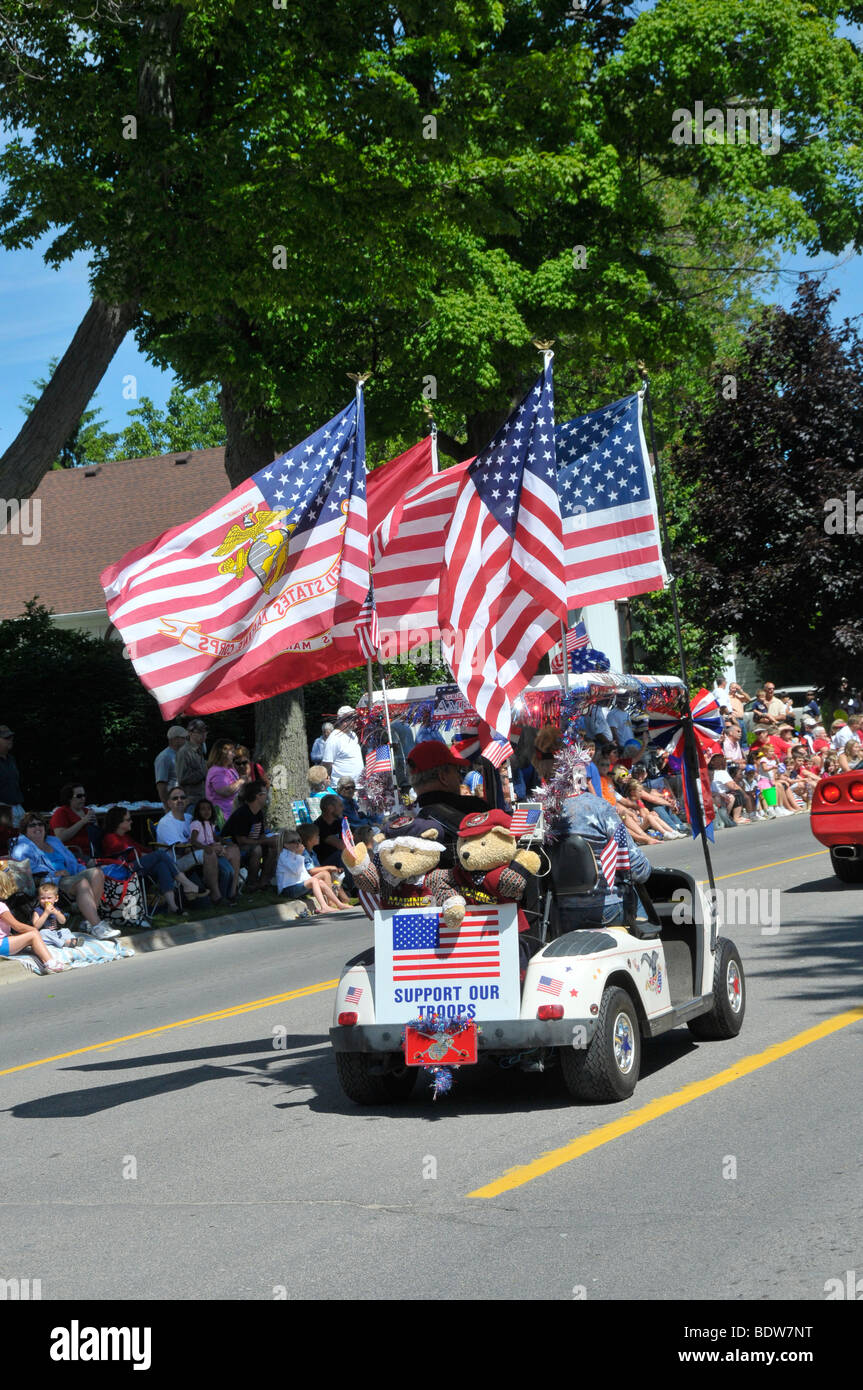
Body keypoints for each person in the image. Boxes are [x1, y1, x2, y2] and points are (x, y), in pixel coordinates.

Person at [555, 761, 652, 929]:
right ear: (584, 778)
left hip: (561, 912)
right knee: (641, 902)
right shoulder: (599, 806)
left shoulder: (544, 811)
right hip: (606, 907)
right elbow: (638, 869)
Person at [10, 813, 118, 939]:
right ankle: (97, 926)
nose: (37, 827)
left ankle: (88, 921)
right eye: (32, 825)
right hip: (51, 881)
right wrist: (54, 874)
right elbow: (22, 868)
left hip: (70, 875)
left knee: (97, 873)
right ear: (25, 830)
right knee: (82, 883)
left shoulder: (53, 841)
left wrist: (80, 870)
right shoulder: (22, 847)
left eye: (40, 824)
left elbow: (71, 859)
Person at [103, 804, 201, 914]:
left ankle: (173, 907)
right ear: (119, 823)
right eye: (128, 819)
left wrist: (151, 856)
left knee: (161, 865)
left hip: (137, 866)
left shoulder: (125, 837)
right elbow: (129, 855)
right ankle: (186, 883)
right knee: (159, 854)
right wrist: (148, 855)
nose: (132, 822)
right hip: (124, 870)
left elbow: (143, 850)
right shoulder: (110, 838)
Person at [406, 742, 490, 865]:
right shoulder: (474, 807)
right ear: (443, 777)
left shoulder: (408, 826)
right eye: (457, 771)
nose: (460, 778)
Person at [156, 791, 233, 904]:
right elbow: (181, 850)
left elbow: (205, 837)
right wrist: (209, 847)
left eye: (183, 797)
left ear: (187, 801)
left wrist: (218, 845)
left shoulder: (189, 818)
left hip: (194, 852)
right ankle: (215, 895)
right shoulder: (166, 823)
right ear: (168, 803)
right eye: (175, 798)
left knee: (231, 850)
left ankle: (232, 891)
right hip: (175, 863)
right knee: (209, 852)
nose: (179, 800)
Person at [0, 867, 67, 973]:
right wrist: (33, 930)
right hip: (1, 945)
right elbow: (17, 926)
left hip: (3, 941)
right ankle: (50, 963)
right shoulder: (1, 907)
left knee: (25, 936)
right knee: (33, 935)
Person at [221, 782, 280, 890]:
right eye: (265, 793)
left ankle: (263, 881)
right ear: (258, 796)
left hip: (250, 843)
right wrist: (263, 841)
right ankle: (251, 883)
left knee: (274, 846)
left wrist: (271, 839)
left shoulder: (259, 813)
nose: (267, 796)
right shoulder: (242, 813)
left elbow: (261, 835)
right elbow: (241, 840)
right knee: (256, 849)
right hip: (233, 845)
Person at [276, 829, 347, 913]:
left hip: (298, 885)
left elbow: (304, 874)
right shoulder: (284, 856)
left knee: (319, 881)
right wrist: (299, 855)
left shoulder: (295, 854)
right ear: (285, 844)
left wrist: (316, 881)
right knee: (313, 881)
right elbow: (296, 870)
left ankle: (338, 904)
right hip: (288, 889)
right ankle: (324, 907)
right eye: (293, 841)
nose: (298, 844)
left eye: (299, 841)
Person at [189, 798, 241, 901]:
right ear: (198, 812)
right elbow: (193, 841)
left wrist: (227, 843)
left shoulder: (210, 823)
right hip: (203, 850)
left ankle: (233, 891)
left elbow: (215, 838)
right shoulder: (196, 823)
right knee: (216, 852)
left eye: (209, 809)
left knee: (234, 849)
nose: (206, 811)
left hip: (213, 847)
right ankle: (217, 896)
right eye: (203, 809)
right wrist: (206, 847)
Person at [297, 821, 352, 904]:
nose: (319, 837)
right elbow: (311, 871)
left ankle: (345, 899)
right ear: (309, 840)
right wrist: (329, 868)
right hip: (308, 880)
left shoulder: (312, 852)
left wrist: (333, 870)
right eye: (316, 836)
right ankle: (331, 901)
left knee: (335, 875)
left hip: (314, 877)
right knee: (327, 874)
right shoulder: (305, 853)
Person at [31, 881, 85, 948]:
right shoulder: (37, 911)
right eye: (42, 898)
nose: (46, 900)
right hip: (46, 934)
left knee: (65, 930)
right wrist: (46, 913)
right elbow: (36, 926)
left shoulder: (56, 909)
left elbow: (63, 921)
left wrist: (56, 913)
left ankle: (72, 940)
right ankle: (64, 943)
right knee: (43, 933)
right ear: (39, 899)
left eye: (49, 898)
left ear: (56, 898)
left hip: (56, 933)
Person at [49, 784, 98, 856]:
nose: (83, 798)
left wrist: (95, 824)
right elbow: (61, 837)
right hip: (72, 853)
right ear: (69, 798)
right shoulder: (61, 813)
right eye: (79, 796)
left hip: (93, 851)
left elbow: (96, 834)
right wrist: (82, 822)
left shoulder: (87, 811)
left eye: (84, 795)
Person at [204, 740, 245, 823]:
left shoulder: (229, 768)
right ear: (223, 753)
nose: (234, 755)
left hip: (233, 815)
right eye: (232, 752)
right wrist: (241, 781)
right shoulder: (215, 770)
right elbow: (225, 791)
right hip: (222, 819)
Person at [322, 707, 365, 783]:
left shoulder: (353, 735)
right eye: (354, 719)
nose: (357, 721)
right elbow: (327, 764)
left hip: (357, 785)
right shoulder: (334, 738)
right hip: (342, 789)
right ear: (344, 721)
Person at [155, 725, 190, 810]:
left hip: (185, 802)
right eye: (184, 738)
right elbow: (161, 784)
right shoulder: (164, 757)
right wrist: (167, 807)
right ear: (175, 739)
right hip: (174, 805)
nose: (186, 741)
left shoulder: (183, 754)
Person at [175, 719, 209, 803]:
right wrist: (204, 771)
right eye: (200, 731)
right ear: (190, 733)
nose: (204, 734)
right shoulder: (184, 752)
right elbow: (182, 778)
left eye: (205, 731)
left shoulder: (200, 749)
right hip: (191, 801)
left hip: (202, 800)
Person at [0, 725, 24, 826]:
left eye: (11, 737)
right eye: (6, 738)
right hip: (2, 809)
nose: (10, 740)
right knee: (7, 839)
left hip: (17, 807)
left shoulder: (11, 759)